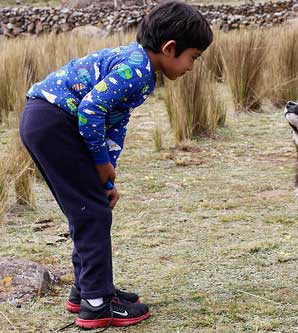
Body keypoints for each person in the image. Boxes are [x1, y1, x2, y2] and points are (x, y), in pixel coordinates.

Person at [19, 1, 212, 329]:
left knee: (89, 206)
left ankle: (88, 289)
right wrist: (99, 162)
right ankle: (96, 304)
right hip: (54, 122)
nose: (192, 66)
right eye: (193, 57)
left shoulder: (139, 67)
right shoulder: (136, 71)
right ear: (170, 48)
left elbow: (113, 124)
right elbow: (91, 111)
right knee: (91, 212)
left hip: (43, 120)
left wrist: (106, 177)